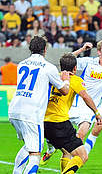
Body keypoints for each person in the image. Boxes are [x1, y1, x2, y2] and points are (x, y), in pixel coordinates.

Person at [41, 38, 102, 164]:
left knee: (78, 139)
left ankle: (68, 165)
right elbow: (66, 60)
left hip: (89, 109)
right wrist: (82, 49)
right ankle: (51, 148)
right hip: (74, 104)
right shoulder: (89, 62)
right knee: (54, 128)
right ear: (99, 52)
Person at [8, 36, 70, 174]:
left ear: (30, 48)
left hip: (14, 111)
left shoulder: (21, 64)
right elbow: (65, 91)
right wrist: (66, 80)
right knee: (36, 153)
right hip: (32, 113)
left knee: (29, 145)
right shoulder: (49, 67)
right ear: (45, 49)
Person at [43, 53, 102, 173]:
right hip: (59, 123)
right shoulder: (74, 80)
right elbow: (85, 96)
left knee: (66, 152)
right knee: (82, 156)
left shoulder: (53, 77)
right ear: (75, 68)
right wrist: (96, 112)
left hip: (44, 123)